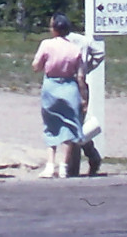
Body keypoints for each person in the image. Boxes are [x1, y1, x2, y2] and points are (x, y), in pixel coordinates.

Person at [31, 13, 87, 179]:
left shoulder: (47, 45)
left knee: (51, 124)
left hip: (51, 85)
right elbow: (81, 76)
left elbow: (36, 66)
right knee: (69, 126)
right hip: (70, 87)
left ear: (54, 28)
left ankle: (50, 165)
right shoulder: (75, 49)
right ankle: (64, 165)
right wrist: (83, 97)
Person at [65, 29, 104, 176]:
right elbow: (100, 54)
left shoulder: (65, 42)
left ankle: (72, 168)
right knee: (76, 125)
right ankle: (92, 155)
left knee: (72, 126)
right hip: (80, 81)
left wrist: (85, 69)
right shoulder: (83, 40)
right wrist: (89, 67)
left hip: (74, 82)